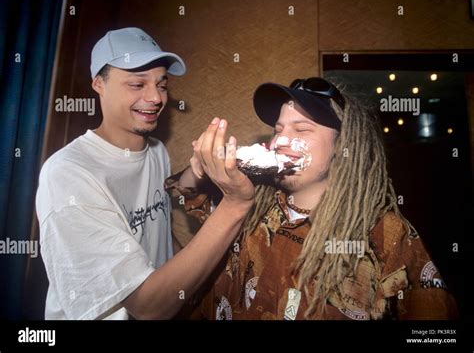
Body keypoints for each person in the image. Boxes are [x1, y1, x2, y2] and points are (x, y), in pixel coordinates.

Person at [170, 77, 459, 320]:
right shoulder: (247, 201)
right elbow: (186, 192)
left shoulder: (387, 235)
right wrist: (200, 167)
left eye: (302, 129)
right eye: (279, 129)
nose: (282, 141)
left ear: (342, 145)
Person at [36, 27, 255, 320]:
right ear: (98, 84)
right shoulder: (68, 174)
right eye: (137, 84)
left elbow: (156, 231)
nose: (155, 98)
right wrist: (235, 205)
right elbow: (148, 306)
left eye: (162, 85)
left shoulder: (155, 151)